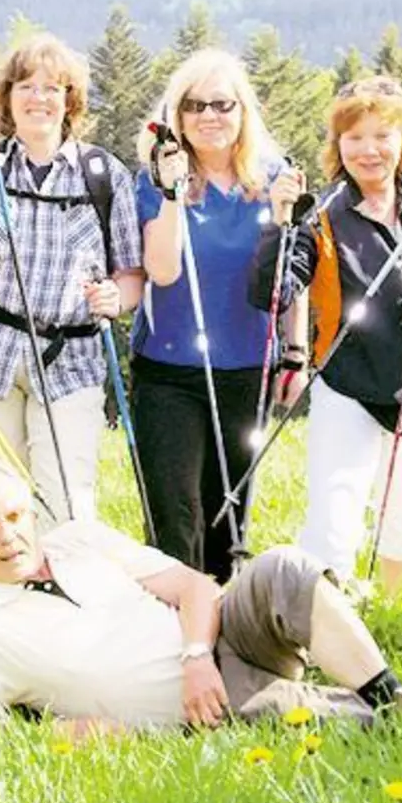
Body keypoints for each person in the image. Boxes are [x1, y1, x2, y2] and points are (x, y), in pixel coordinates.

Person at [0, 458, 402, 735]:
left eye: (15, 516)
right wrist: (62, 733)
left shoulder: (79, 538)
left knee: (284, 566)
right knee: (341, 722)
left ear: (32, 515)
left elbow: (194, 586)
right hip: (200, 710)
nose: (8, 536)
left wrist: (196, 657)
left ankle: (388, 691)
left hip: (220, 635)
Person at [252, 76, 402, 605]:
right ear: (337, 144)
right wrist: (279, 221)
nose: (368, 150)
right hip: (347, 386)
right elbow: (271, 293)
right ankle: (323, 629)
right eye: (354, 137)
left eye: (383, 135)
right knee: (332, 523)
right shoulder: (321, 214)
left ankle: (398, 627)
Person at [0, 34, 143, 526]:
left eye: (52, 88)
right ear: (7, 97)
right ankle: (8, 579)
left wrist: (116, 298)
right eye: (25, 86)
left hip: (71, 359)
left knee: (66, 504)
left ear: (70, 101)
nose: (38, 98)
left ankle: (61, 578)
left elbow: (131, 273)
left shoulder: (104, 175)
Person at [131, 48, 302, 583]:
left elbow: (290, 273)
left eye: (222, 104)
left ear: (243, 111)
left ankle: (223, 614)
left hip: (249, 367)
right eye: (194, 105)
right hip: (168, 370)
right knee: (174, 513)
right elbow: (162, 271)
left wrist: (295, 354)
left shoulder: (275, 178)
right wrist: (172, 193)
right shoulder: (155, 181)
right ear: (176, 117)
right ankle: (175, 618)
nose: (209, 116)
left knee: (229, 511)